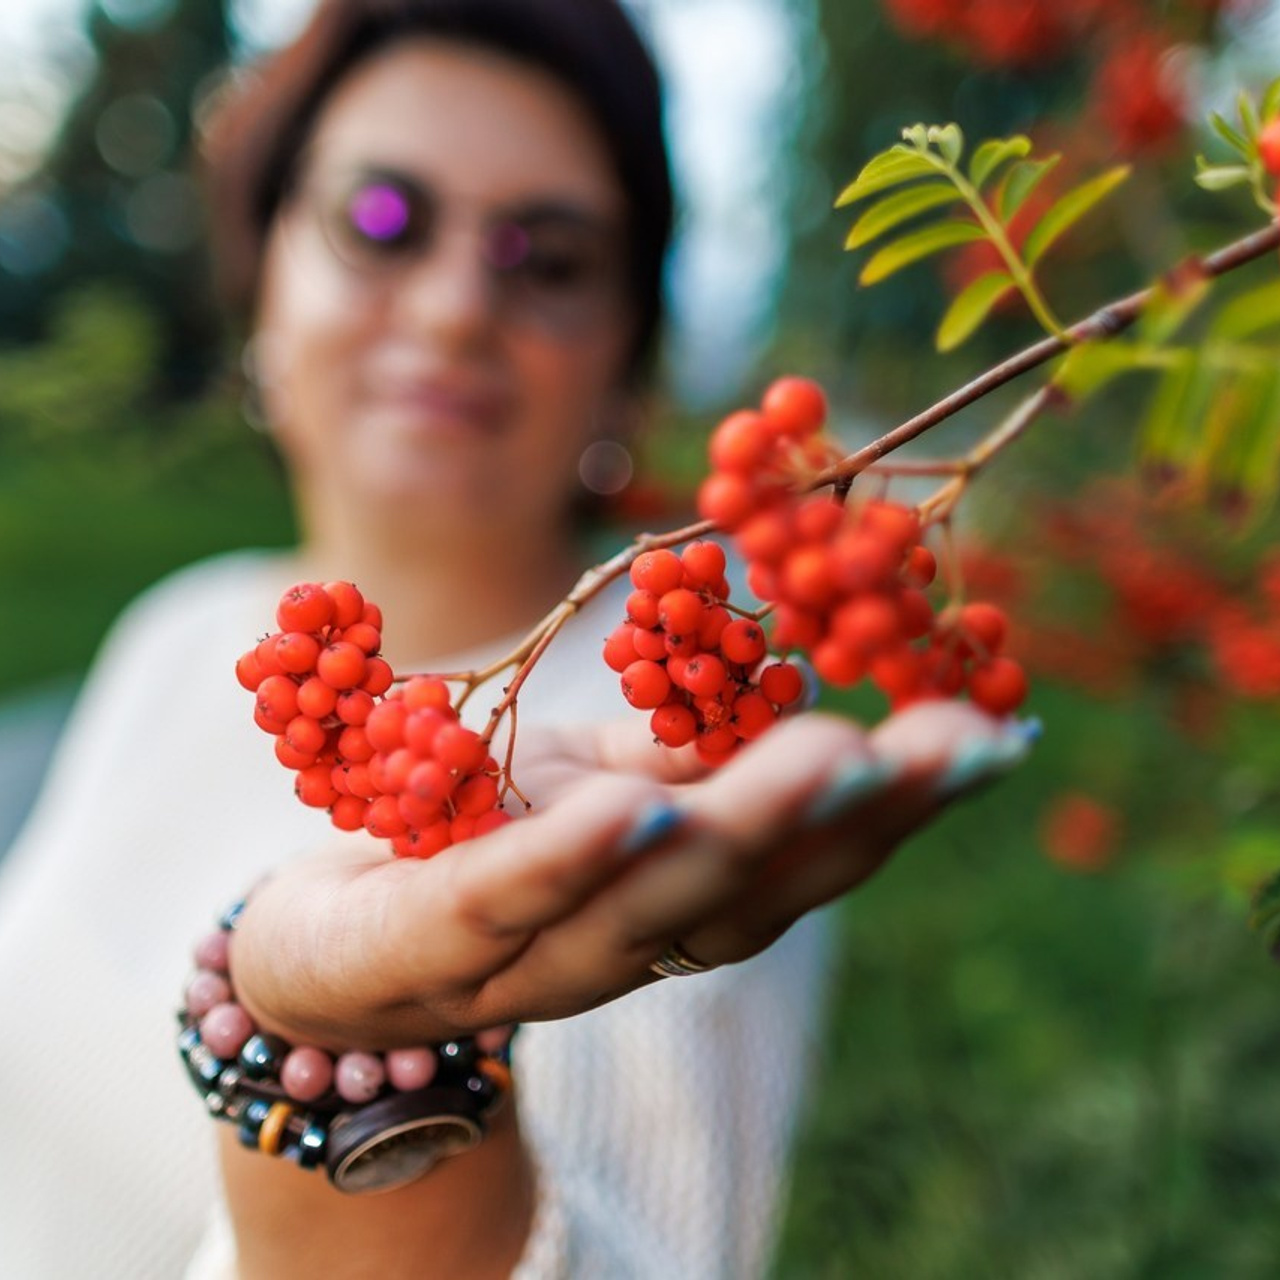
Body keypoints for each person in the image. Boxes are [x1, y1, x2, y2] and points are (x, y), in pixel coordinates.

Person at [0, 1, 1035, 1275]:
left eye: (546, 259)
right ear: (260, 268)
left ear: (622, 363)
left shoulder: (679, 723)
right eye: (380, 219)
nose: (451, 307)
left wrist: (351, 1058)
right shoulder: (186, 624)